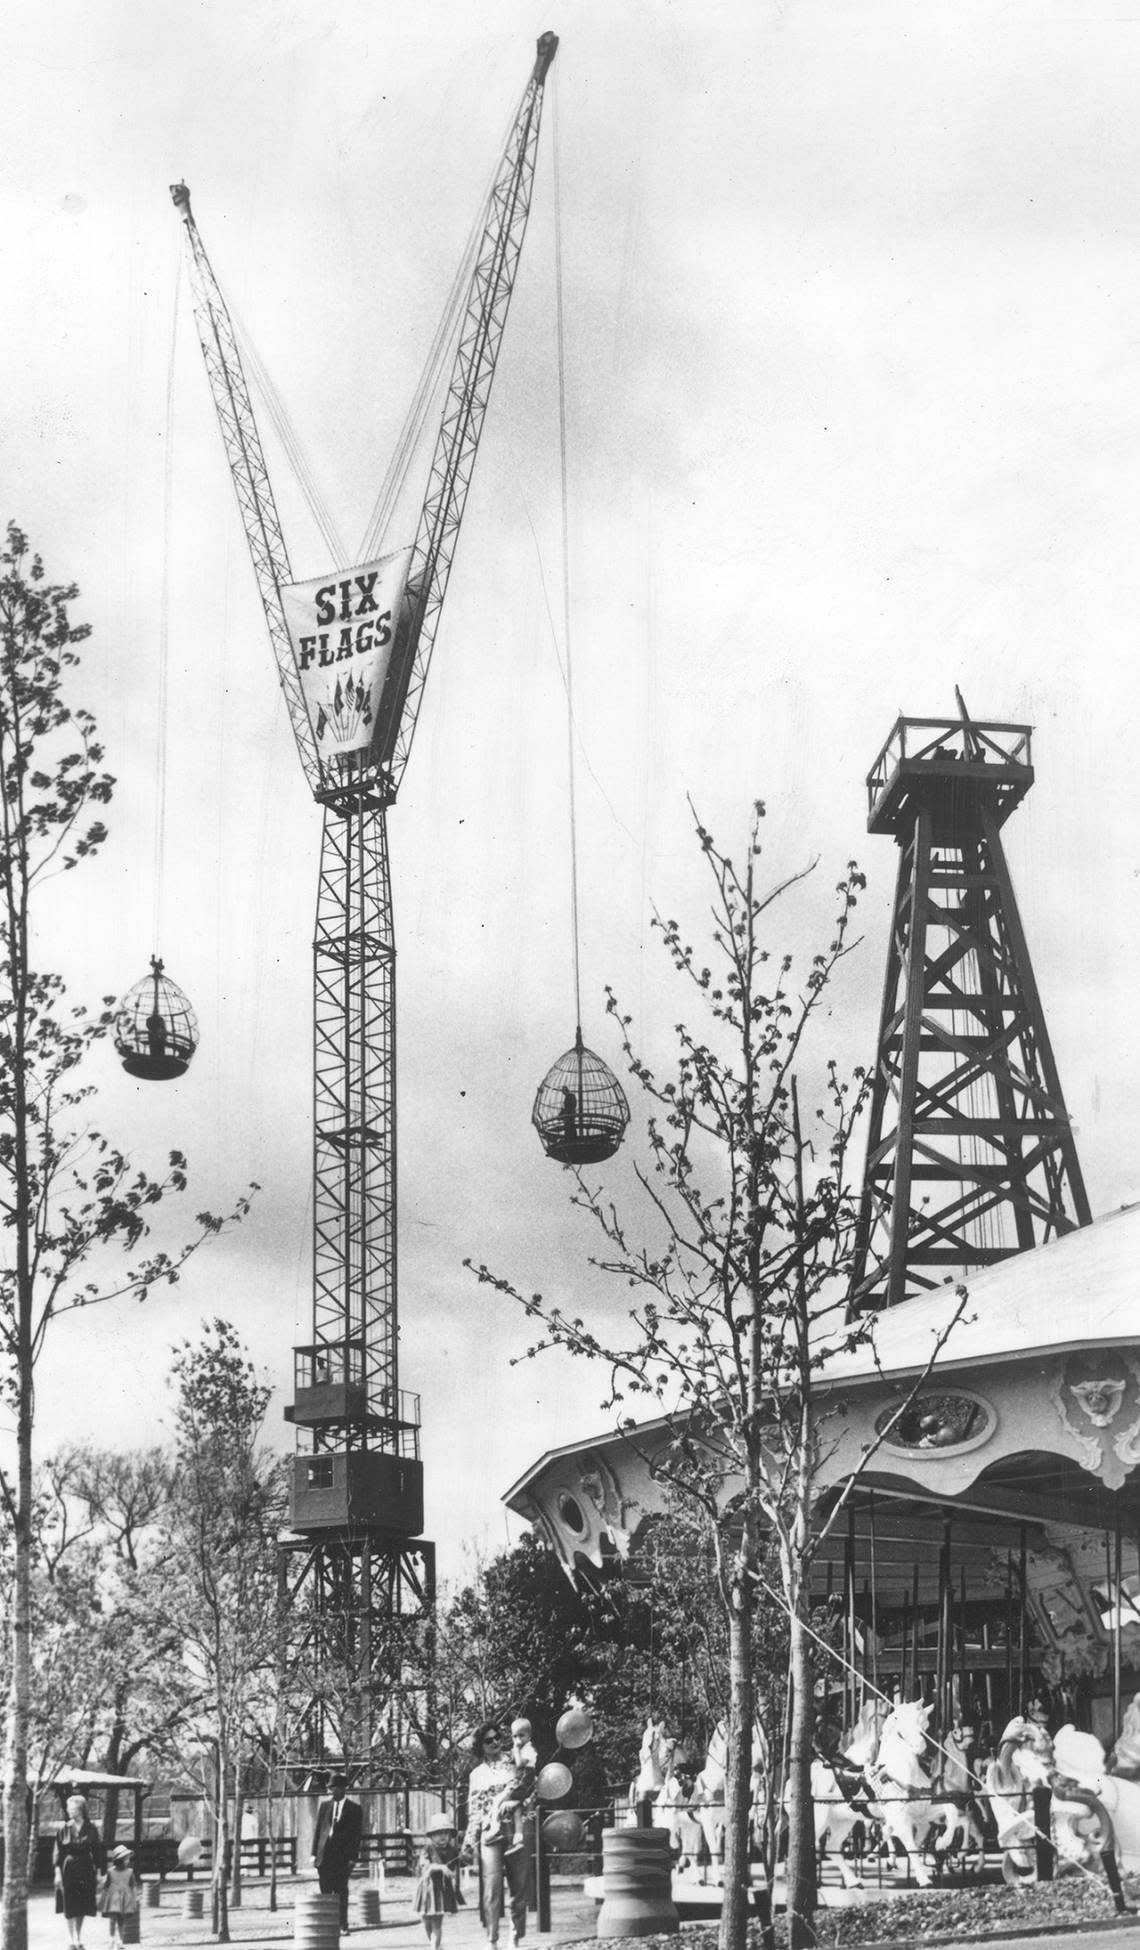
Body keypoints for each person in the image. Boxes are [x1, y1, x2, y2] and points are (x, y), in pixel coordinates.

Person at [462, 1723, 529, 1949]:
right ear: (480, 1746)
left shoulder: (515, 1761)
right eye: (489, 1740)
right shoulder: (476, 1775)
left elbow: (532, 1787)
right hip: (490, 1835)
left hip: (515, 1829)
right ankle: (492, 1940)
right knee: (491, 1889)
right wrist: (469, 1843)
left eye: (497, 1738)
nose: (495, 1742)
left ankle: (515, 1936)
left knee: (519, 1887)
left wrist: (516, 1801)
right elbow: (474, 1812)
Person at [312, 1772, 363, 1931]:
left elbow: (356, 1835)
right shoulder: (324, 1806)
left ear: (342, 1789)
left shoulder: (354, 1809)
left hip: (342, 1857)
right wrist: (314, 1853)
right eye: (330, 1788)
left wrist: (353, 1857)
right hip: (324, 1856)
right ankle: (328, 1924)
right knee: (325, 1891)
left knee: (341, 1891)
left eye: (334, 1788)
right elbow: (318, 1830)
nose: (331, 1791)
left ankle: (342, 1924)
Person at [54, 1794, 104, 1950]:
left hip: (86, 1868)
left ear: (81, 1809)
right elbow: (58, 1852)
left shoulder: (91, 1828)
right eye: (68, 1808)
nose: (69, 1811)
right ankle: (71, 1938)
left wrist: (99, 1872)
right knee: (69, 1903)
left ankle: (78, 1936)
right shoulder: (64, 1828)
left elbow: (97, 1850)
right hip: (68, 1868)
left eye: (72, 1808)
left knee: (82, 1903)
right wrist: (57, 1873)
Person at [413, 1811, 464, 1949]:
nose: (442, 1836)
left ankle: (434, 1947)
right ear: (432, 1836)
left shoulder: (453, 1851)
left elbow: (454, 1870)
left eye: (445, 1833)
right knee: (426, 1922)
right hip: (426, 1889)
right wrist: (440, 1867)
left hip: (441, 1890)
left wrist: (453, 1872)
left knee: (437, 1922)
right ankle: (436, 1945)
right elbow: (426, 1866)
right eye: (438, 1833)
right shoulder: (428, 1849)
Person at [488, 1719, 537, 1856]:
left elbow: (520, 1764)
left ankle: (494, 1827)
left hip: (522, 1783)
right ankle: (518, 1840)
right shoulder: (523, 1749)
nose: (517, 1739)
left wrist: (515, 1750)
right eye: (515, 1736)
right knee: (516, 1811)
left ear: (529, 1737)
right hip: (521, 1783)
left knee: (498, 1800)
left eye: (521, 1735)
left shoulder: (529, 1750)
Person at [98, 1844, 140, 1947]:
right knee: (113, 1919)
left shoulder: (130, 1872)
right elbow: (105, 1885)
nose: (128, 1860)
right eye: (126, 1858)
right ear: (119, 1860)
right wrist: (101, 1881)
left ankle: (120, 1940)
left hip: (124, 1900)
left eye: (128, 1858)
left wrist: (134, 1899)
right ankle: (111, 1938)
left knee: (121, 1920)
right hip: (113, 1899)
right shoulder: (110, 1871)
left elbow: (133, 1887)